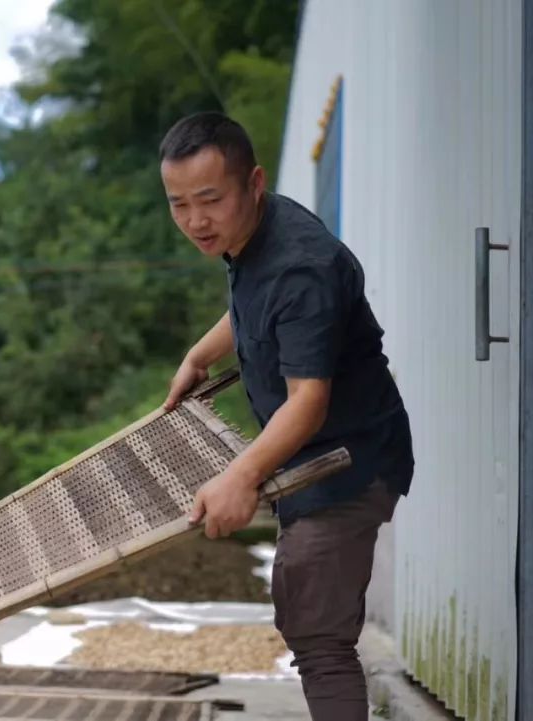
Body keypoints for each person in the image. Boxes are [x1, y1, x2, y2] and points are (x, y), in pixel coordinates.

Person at [158, 112, 414, 721]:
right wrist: (202, 353)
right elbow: (254, 306)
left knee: (319, 636)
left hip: (345, 466)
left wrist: (239, 477)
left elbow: (308, 401)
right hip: (312, 458)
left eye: (210, 200)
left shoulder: (300, 267)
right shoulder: (255, 232)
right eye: (179, 204)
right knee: (311, 623)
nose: (196, 221)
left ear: (254, 182)